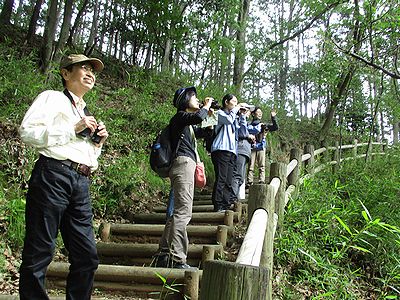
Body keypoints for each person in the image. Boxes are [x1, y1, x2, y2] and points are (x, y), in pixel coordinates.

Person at [18, 54, 108, 300]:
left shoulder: (84, 110)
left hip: (80, 182)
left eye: (93, 70)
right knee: (40, 250)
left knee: (87, 255)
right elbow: (27, 132)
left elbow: (86, 154)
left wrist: (98, 143)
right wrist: (73, 128)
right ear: (66, 73)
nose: (90, 73)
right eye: (84, 68)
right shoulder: (52, 98)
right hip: (53, 175)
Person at [156, 86, 212, 269]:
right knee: (183, 213)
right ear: (184, 101)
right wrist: (206, 106)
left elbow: (206, 131)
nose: (197, 99)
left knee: (177, 213)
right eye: (194, 97)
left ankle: (164, 255)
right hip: (183, 164)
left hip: (184, 165)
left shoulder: (187, 127)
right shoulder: (179, 117)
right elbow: (197, 117)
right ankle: (178, 259)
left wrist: (210, 114)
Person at [210, 94, 246, 212]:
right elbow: (228, 120)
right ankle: (218, 204)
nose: (236, 104)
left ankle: (226, 204)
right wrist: (236, 109)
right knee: (221, 178)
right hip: (220, 149)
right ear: (226, 102)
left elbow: (241, 131)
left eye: (237, 102)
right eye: (234, 101)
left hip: (231, 151)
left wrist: (243, 116)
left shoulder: (233, 116)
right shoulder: (219, 113)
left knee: (229, 179)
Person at [247, 107, 278, 186]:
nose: (260, 113)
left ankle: (261, 181)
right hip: (251, 146)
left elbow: (275, 127)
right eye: (258, 112)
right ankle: (249, 181)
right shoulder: (248, 124)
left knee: (262, 165)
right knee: (251, 165)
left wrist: (273, 117)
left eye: (261, 112)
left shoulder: (264, 125)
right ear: (253, 114)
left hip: (261, 146)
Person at [232, 107, 255, 200]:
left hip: (244, 151)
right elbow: (241, 133)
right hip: (240, 150)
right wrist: (248, 136)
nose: (249, 113)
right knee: (237, 175)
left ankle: (235, 197)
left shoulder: (243, 121)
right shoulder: (238, 119)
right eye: (247, 110)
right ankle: (232, 198)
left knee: (240, 176)